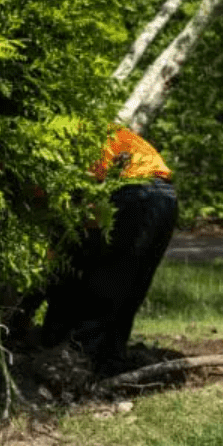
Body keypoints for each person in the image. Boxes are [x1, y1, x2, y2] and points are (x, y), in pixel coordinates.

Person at [25, 125, 178, 372]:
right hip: (163, 194)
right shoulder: (72, 124)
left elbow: (65, 215)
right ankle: (106, 363)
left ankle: (71, 366)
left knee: (90, 283)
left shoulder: (41, 144)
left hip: (131, 193)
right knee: (126, 288)